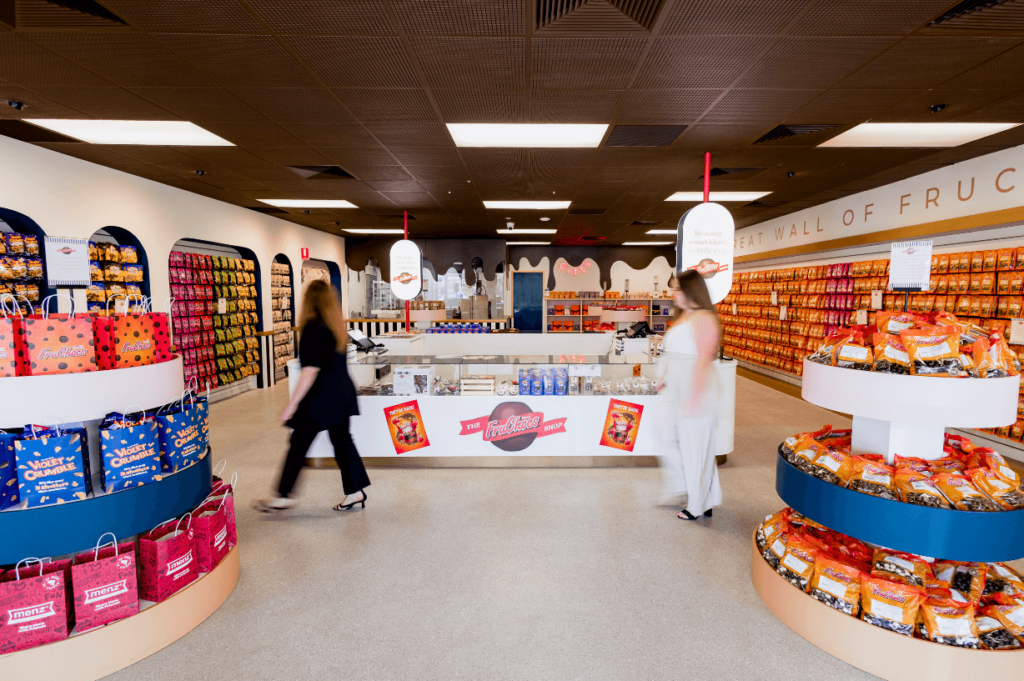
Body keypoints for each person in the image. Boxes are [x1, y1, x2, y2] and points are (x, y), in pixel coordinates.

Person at [255, 280, 370, 513]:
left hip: (321, 398)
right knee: (342, 442)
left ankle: (284, 495)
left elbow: (309, 371)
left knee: (299, 443)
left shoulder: (312, 327)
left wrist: (292, 404)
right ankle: (355, 491)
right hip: (342, 392)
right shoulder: (337, 326)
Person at [656, 270, 723, 521]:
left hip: (695, 390)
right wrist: (664, 378)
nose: (673, 294)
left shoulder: (704, 318)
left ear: (689, 291)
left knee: (696, 448)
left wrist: (694, 397)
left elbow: (704, 359)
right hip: (678, 388)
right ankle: (705, 496)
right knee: (685, 443)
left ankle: (697, 504)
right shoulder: (685, 316)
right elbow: (676, 352)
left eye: (677, 289)